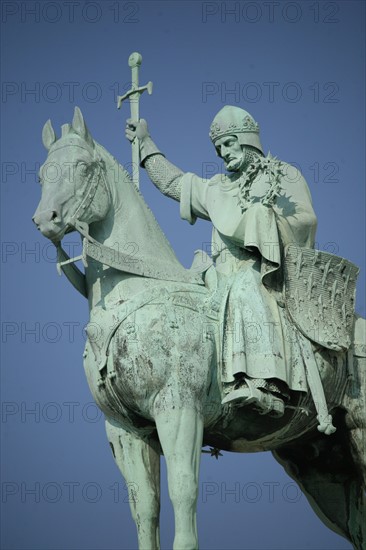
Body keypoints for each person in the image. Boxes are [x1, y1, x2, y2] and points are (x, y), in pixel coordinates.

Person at [125, 106, 318, 417]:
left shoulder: (283, 174)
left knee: (244, 286)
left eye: (229, 143)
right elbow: (174, 183)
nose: (223, 153)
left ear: (247, 140)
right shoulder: (217, 188)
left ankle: (267, 384)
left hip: (264, 269)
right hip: (219, 270)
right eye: (218, 148)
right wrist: (146, 145)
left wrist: (265, 220)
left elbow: (305, 220)